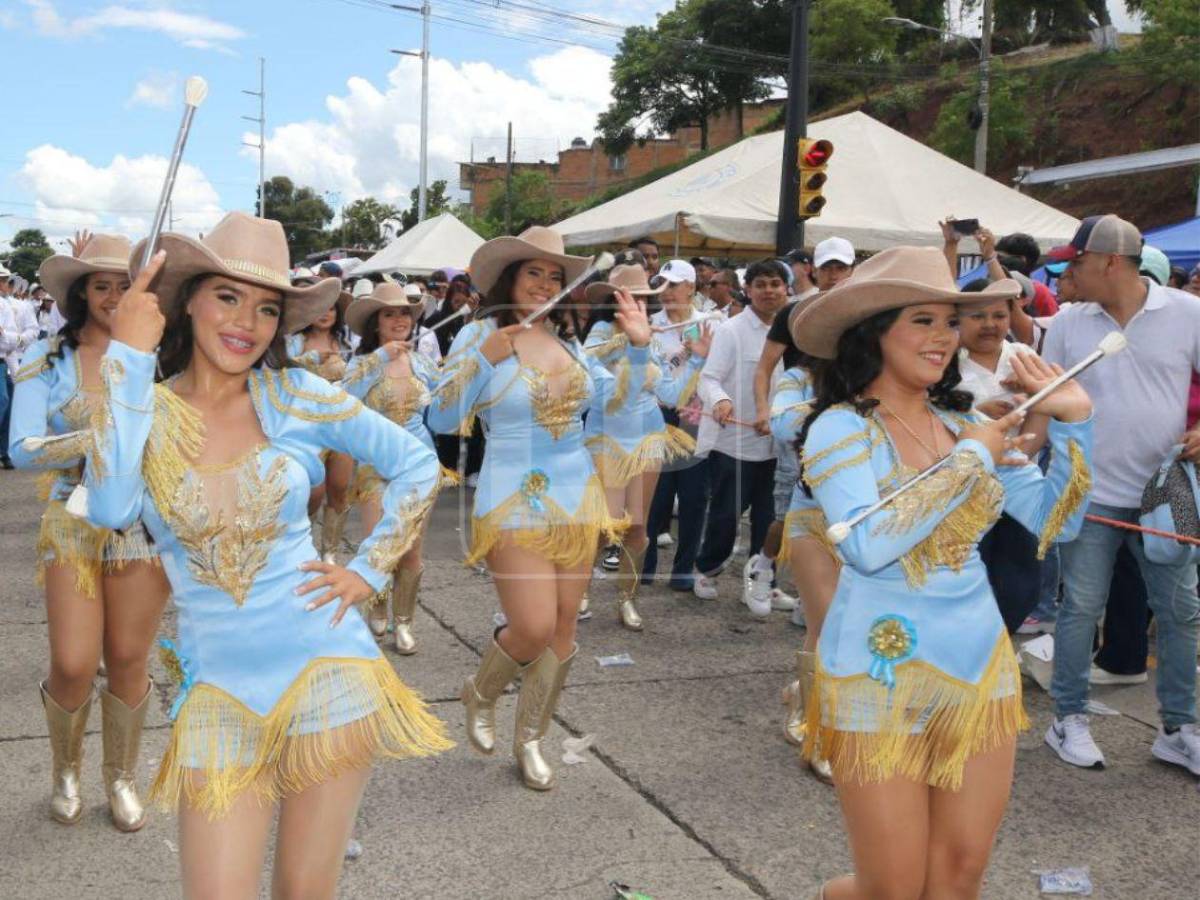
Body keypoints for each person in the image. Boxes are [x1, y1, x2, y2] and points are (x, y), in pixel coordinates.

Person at [82, 212, 451, 897]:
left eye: (266, 308)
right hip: (219, 692)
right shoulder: (144, 409)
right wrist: (127, 359)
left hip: (328, 673)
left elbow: (417, 467)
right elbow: (107, 507)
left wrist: (366, 571)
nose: (245, 323)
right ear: (185, 298)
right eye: (227, 296)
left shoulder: (297, 394)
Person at [790, 246, 1093, 900]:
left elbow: (1053, 524)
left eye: (948, 322)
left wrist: (1074, 423)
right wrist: (969, 462)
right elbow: (867, 544)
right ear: (874, 333)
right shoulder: (839, 430)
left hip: (979, 672)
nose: (943, 338)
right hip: (878, 679)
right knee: (893, 890)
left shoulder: (963, 423)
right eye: (922, 320)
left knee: (957, 880)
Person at [428, 226, 651, 791]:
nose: (545, 284)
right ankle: (480, 692)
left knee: (564, 628)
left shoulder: (570, 343)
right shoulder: (480, 333)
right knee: (530, 626)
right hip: (512, 496)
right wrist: (482, 358)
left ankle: (530, 737)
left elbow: (619, 405)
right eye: (535, 273)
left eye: (555, 276)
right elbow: (440, 417)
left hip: (578, 496)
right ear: (510, 278)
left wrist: (640, 348)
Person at [9, 235, 170, 831]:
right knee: (74, 662)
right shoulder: (46, 359)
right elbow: (22, 450)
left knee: (128, 655)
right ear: (80, 295)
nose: (113, 295)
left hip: (140, 524)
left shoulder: (164, 357)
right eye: (100, 285)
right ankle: (66, 770)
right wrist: (104, 440)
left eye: (125, 284)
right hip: (71, 521)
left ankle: (121, 777)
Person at [1039, 215, 1200, 774]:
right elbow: (1050, 397)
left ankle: (1179, 728)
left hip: (1163, 493)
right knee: (1080, 606)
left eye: (1075, 262)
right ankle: (1068, 717)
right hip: (1090, 492)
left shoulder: (1188, 313)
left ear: (1109, 262)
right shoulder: (1066, 322)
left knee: (1181, 611)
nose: (1067, 272)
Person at [582, 264, 707, 629]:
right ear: (611, 300)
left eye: (642, 297)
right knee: (604, 525)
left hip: (648, 438)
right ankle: (581, 592)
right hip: (606, 440)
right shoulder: (598, 338)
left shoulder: (649, 337)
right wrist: (635, 346)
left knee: (637, 525)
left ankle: (627, 599)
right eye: (630, 296)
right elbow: (610, 397)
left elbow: (669, 394)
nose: (639, 303)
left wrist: (697, 358)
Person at [342, 282, 443, 652]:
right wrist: (381, 358)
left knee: (412, 549)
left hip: (419, 464)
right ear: (375, 322)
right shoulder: (362, 363)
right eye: (390, 313)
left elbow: (446, 404)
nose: (399, 319)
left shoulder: (421, 362)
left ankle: (404, 622)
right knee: (379, 544)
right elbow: (344, 398)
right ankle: (378, 607)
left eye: (404, 312)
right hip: (376, 465)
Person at [691, 259, 789, 602]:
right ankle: (707, 569)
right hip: (734, 443)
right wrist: (720, 401)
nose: (768, 291)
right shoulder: (731, 330)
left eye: (775, 284)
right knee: (726, 516)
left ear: (786, 289)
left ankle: (763, 582)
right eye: (760, 284)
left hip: (779, 446)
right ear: (747, 291)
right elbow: (709, 378)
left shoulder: (795, 332)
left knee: (771, 520)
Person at [770, 299, 836, 783]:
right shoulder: (797, 380)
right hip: (813, 515)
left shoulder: (883, 375)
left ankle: (804, 690)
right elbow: (784, 425)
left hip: (874, 521)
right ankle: (813, 727)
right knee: (826, 621)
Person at [641, 260, 712, 591]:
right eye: (662, 285)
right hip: (658, 414)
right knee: (656, 493)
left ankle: (684, 567)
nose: (666, 292)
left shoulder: (711, 324)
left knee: (694, 495)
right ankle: (646, 562)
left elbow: (719, 371)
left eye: (673, 285)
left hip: (697, 416)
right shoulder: (649, 326)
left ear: (691, 288)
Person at [286, 277, 356, 563]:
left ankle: (330, 554)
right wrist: (311, 358)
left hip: (340, 426)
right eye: (320, 307)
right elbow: (279, 373)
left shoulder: (345, 343)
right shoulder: (294, 341)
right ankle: (299, 545)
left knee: (339, 489)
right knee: (312, 494)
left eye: (332, 308)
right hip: (305, 427)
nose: (326, 313)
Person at [2, 267, 40, 468]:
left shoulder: (21, 306)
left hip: (16, 360)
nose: (5, 285)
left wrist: (16, 340)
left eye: (6, 280)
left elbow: (33, 330)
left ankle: (5, 451)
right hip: (5, 358)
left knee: (11, 407)